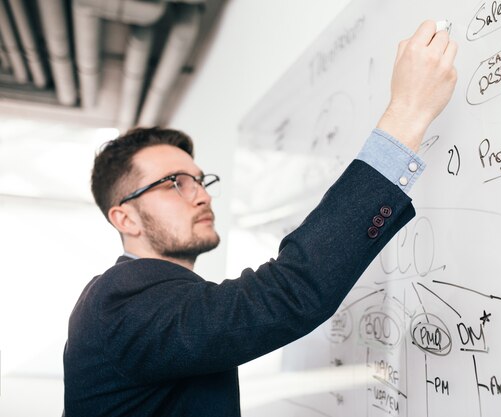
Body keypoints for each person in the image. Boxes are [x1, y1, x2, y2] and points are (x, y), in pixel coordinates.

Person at [63, 20, 457, 416]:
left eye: (201, 181)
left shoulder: (150, 301)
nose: (201, 194)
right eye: (175, 183)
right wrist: (407, 112)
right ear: (125, 218)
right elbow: (289, 291)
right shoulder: (120, 300)